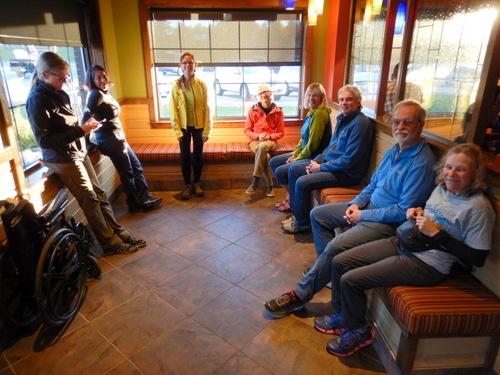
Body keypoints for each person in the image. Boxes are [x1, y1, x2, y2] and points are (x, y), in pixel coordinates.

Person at [306, 143, 494, 357]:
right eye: (449, 167)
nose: (452, 174)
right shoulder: (442, 188)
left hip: (428, 264)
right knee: (340, 261)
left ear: (475, 173)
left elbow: (478, 258)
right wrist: (418, 211)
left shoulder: (478, 208)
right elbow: (435, 215)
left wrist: (436, 234)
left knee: (351, 279)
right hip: (407, 241)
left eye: (461, 169)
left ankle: (359, 331)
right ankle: (344, 314)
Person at [264, 99, 437, 317]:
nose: (400, 127)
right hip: (368, 207)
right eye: (397, 122)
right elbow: (373, 184)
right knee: (318, 215)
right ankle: (325, 273)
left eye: (408, 122)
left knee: (337, 246)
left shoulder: (422, 162)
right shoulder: (396, 150)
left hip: (387, 223)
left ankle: (300, 294)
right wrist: (356, 203)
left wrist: (362, 214)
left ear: (421, 125)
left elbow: (403, 210)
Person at [26, 52, 145, 255]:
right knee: (90, 200)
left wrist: (85, 130)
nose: (64, 81)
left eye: (66, 77)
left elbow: (68, 126)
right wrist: (82, 130)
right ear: (44, 75)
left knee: (100, 195)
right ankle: (111, 244)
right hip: (64, 158)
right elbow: (45, 140)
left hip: (79, 151)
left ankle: (119, 233)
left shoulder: (58, 93)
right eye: (60, 77)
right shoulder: (37, 100)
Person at [280, 85, 374, 234]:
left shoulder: (360, 124)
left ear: (358, 102)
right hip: (331, 166)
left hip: (348, 174)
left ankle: (302, 224)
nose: (344, 103)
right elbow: (331, 147)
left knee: (303, 183)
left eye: (348, 99)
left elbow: (350, 159)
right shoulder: (343, 119)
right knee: (294, 170)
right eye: (342, 99)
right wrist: (317, 161)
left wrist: (321, 167)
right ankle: (298, 214)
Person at [81, 65, 162, 213]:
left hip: (118, 138)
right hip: (109, 140)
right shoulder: (95, 95)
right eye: (98, 77)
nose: (103, 79)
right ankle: (134, 204)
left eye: (104, 76)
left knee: (136, 167)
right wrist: (87, 142)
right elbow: (84, 120)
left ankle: (145, 197)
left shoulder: (105, 93)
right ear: (92, 80)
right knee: (127, 172)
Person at [270, 83, 332, 212]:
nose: (311, 98)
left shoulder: (320, 114)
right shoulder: (311, 113)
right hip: (306, 152)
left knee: (281, 171)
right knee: (275, 161)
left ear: (322, 98)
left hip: (316, 157)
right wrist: (295, 154)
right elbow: (303, 139)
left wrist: (298, 158)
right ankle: (290, 196)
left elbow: (313, 144)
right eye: (309, 95)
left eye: (315, 95)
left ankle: (292, 201)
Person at [168, 52, 212, 200]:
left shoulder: (201, 85)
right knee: (185, 157)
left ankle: (197, 183)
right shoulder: (176, 85)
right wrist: (177, 132)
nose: (188, 65)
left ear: (195, 65)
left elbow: (207, 108)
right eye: (185, 63)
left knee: (198, 157)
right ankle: (187, 185)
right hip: (183, 128)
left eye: (191, 63)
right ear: (181, 66)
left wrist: (207, 130)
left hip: (199, 127)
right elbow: (173, 109)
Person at [244, 84, 285, 197]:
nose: (264, 95)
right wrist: (257, 136)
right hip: (255, 141)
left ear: (271, 93)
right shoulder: (253, 110)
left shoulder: (278, 112)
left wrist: (270, 137)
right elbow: (247, 130)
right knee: (265, 156)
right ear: (258, 96)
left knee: (262, 147)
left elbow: (281, 132)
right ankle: (270, 186)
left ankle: (255, 180)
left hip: (270, 141)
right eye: (261, 93)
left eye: (266, 92)